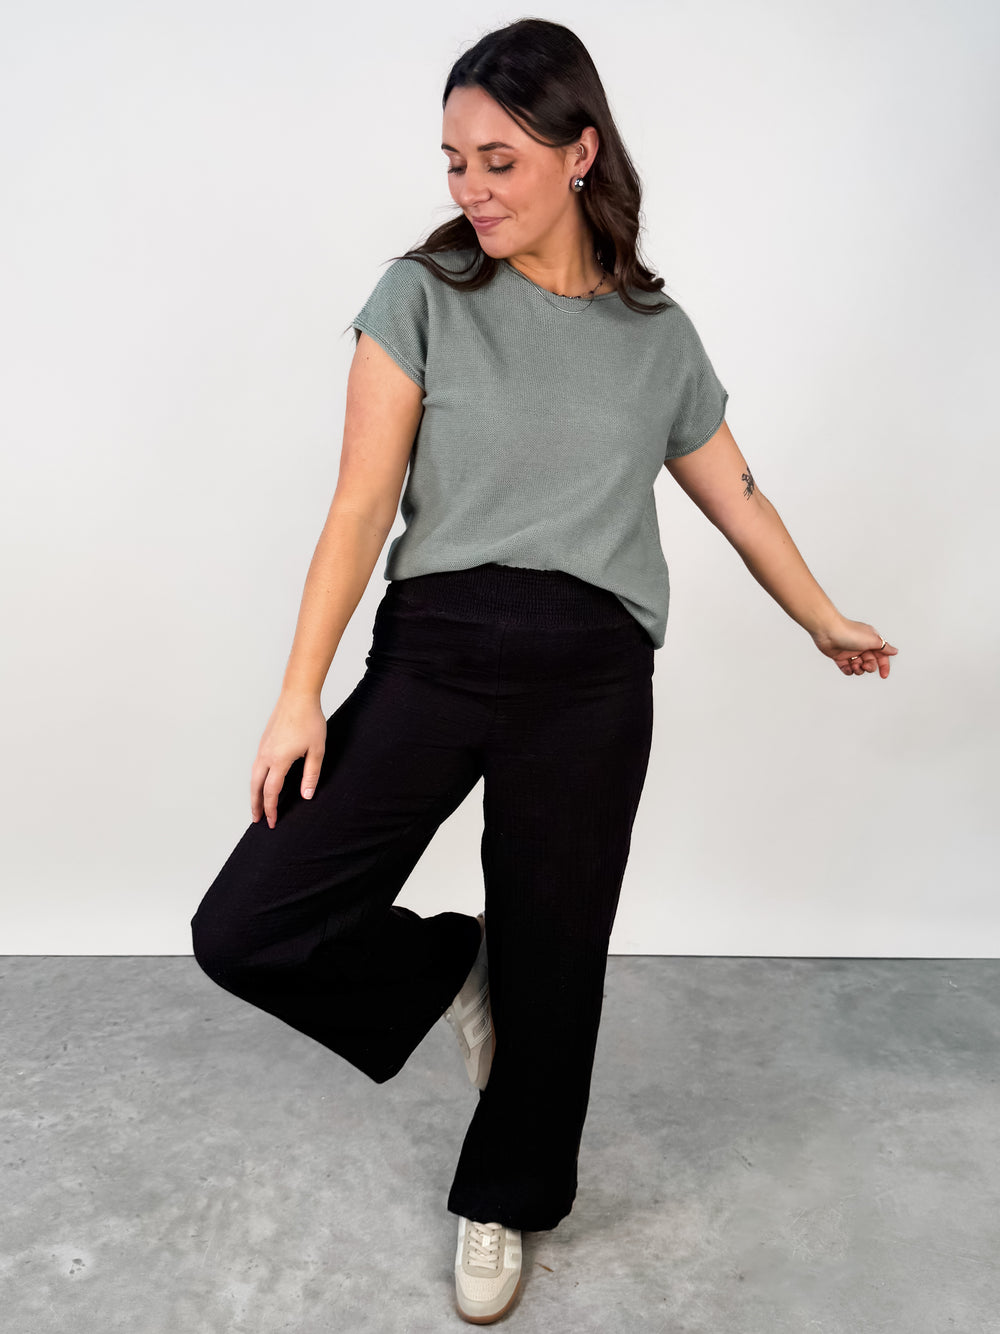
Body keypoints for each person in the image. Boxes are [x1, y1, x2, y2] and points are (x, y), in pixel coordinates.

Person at [190, 17, 898, 1326]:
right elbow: (359, 507)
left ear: (580, 153)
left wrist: (821, 615)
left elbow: (738, 496)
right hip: (438, 650)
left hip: (590, 678)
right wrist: (300, 692)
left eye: (499, 160)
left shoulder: (656, 334)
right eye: (454, 160)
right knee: (246, 926)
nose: (471, 187)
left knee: (558, 959)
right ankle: (451, 972)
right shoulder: (421, 297)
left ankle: (503, 1197)